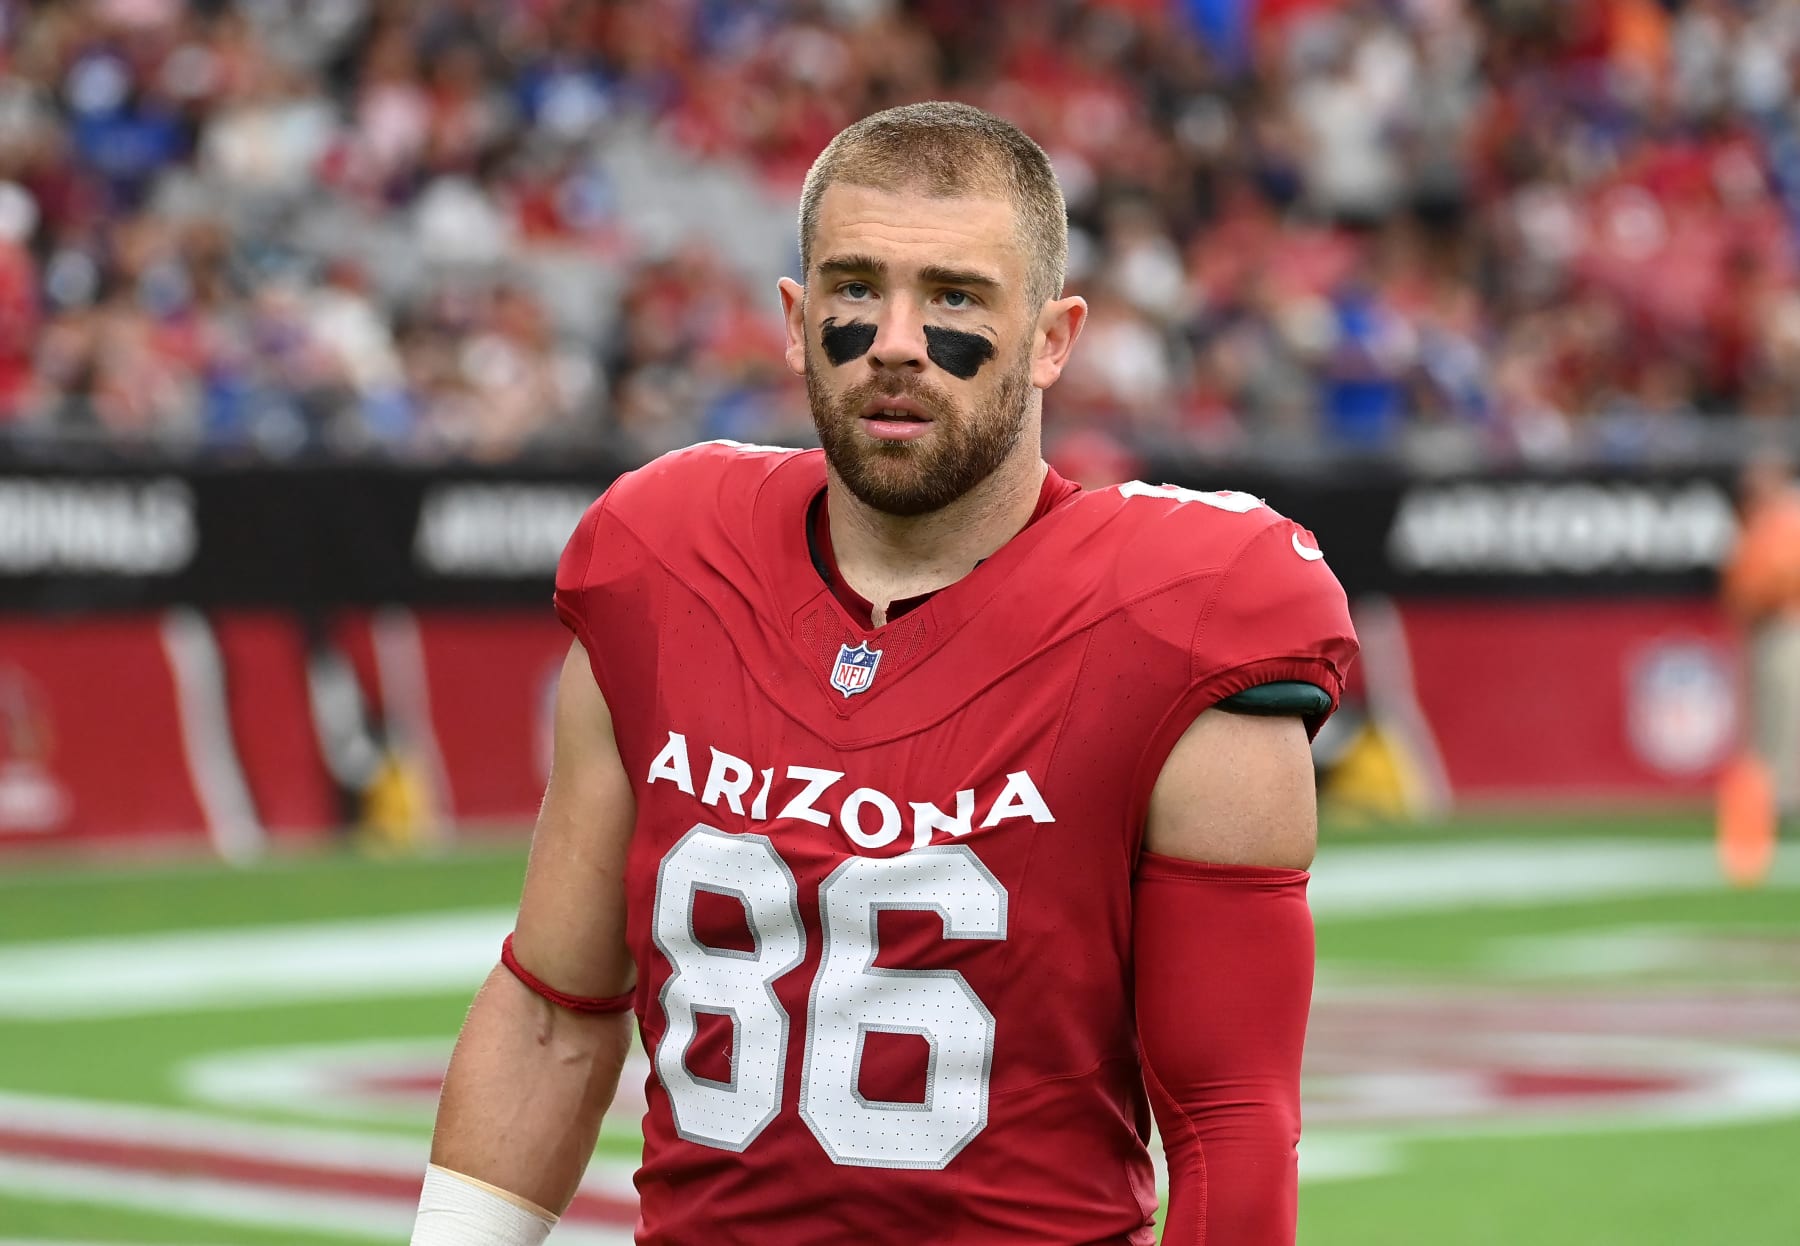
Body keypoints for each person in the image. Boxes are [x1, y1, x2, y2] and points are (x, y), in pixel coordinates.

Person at [411, 102, 1358, 1245]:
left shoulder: (1183, 612)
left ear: (1054, 338)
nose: (899, 339)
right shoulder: (664, 558)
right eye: (856, 289)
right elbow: (556, 1015)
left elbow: (1228, 1120)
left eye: (955, 296)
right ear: (796, 316)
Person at [1722, 451, 1800, 826]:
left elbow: (1780, 578)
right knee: (1765, 718)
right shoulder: (1758, 520)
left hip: (1787, 625)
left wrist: (1757, 597)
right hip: (1762, 628)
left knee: (1788, 713)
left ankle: (1786, 798)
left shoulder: (1789, 520)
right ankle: (1767, 797)